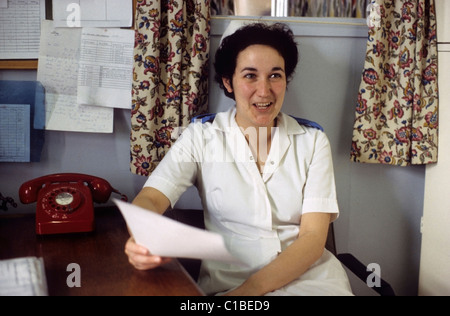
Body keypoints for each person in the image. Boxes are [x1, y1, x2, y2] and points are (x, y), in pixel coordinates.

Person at [125, 22, 353, 296]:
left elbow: (314, 238)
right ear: (227, 81)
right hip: (230, 282)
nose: (264, 90)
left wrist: (246, 294)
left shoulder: (312, 141)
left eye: (275, 75)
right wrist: (141, 234)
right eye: (250, 76)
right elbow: (151, 197)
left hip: (311, 282)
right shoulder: (201, 137)